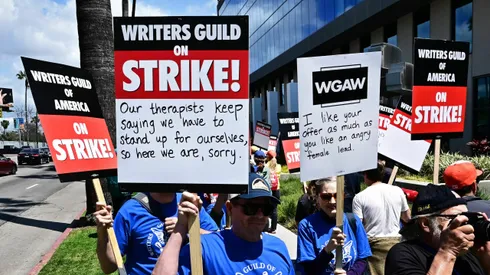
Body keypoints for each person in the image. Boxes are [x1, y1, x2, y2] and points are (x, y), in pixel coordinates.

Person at [152, 173, 296, 275]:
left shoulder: (279, 247)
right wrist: (181, 228)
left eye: (266, 209)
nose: (259, 215)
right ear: (230, 208)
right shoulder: (204, 248)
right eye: (250, 208)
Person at [94, 192, 219, 275]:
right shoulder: (130, 210)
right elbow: (109, 267)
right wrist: (103, 234)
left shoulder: (188, 202)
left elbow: (217, 241)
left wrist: (187, 230)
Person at [385, 184, 486, 275]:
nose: (465, 223)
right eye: (456, 218)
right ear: (425, 223)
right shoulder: (403, 254)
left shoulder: (466, 254)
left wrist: (486, 256)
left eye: (467, 216)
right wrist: (448, 252)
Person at [297, 177, 372, 275]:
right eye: (326, 197)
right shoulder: (306, 226)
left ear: (343, 196)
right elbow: (309, 270)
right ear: (317, 197)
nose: (332, 201)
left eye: (337, 196)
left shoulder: (354, 221)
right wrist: (327, 250)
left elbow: (363, 259)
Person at [352, 160, 411, 275]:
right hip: (396, 242)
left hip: (373, 246)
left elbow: (358, 227)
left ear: (366, 175)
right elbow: (407, 217)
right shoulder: (398, 191)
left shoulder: (360, 197)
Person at [266, 150, 281, 234]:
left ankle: (265, 226)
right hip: (277, 189)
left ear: (268, 157)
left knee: (267, 207)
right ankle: (273, 228)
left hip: (269, 189)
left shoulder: (267, 165)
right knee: (274, 209)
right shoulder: (278, 166)